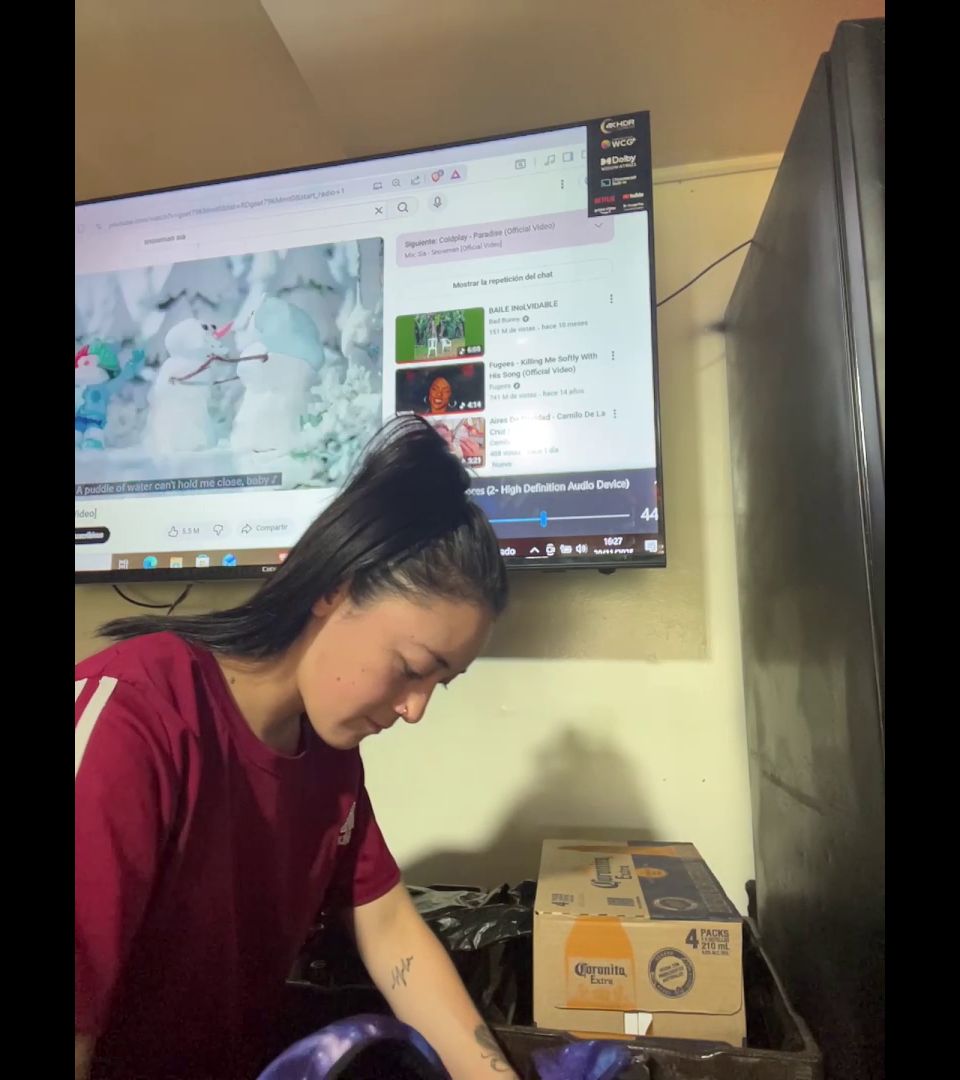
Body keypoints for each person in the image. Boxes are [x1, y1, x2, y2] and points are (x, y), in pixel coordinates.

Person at [75, 416, 515, 1080]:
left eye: (439, 685)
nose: (415, 709)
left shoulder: (327, 757)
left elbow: (388, 926)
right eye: (411, 668)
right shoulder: (133, 717)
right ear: (334, 590)